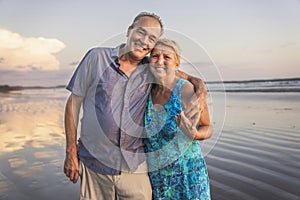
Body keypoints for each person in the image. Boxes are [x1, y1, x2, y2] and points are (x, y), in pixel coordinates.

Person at [63, 12, 207, 200]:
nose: (144, 41)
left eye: (152, 38)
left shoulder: (151, 68)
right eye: (141, 32)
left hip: (135, 165)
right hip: (95, 163)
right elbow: (73, 105)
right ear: (129, 31)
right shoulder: (96, 57)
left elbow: (176, 72)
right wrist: (71, 152)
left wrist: (199, 84)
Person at [143, 38, 212, 200]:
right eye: (155, 56)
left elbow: (207, 126)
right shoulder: (147, 90)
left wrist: (196, 134)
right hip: (158, 178)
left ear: (176, 64)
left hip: (187, 176)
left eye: (167, 57)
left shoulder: (186, 90)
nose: (160, 61)